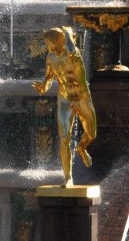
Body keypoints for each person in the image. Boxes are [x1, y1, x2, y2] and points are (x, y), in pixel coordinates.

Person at [33, 26, 97, 187]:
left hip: (82, 97)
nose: (47, 45)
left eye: (48, 42)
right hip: (65, 99)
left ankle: (81, 149)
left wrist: (68, 33)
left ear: (55, 41)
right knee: (64, 139)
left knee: (91, 134)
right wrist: (42, 87)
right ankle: (68, 177)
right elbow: (48, 79)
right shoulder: (50, 58)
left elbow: (69, 49)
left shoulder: (74, 53)